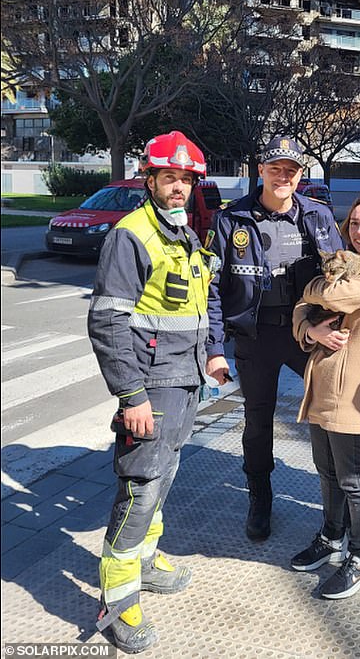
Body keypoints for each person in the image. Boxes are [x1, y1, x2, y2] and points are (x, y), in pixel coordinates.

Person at [88, 131, 211, 653]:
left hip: (186, 380)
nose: (178, 187)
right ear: (151, 179)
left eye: (186, 179)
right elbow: (107, 324)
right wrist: (131, 395)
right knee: (139, 489)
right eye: (170, 177)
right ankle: (117, 604)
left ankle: (144, 561)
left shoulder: (182, 234)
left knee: (163, 477)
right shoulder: (131, 234)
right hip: (152, 386)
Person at [205, 136, 343, 541]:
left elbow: (340, 280)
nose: (284, 176)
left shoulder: (317, 216)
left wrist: (327, 325)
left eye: (292, 170)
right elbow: (213, 289)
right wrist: (215, 349)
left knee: (329, 415)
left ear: (301, 175)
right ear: (260, 170)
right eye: (276, 168)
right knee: (257, 422)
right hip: (255, 336)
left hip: (308, 335)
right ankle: (259, 499)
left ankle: (344, 504)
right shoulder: (231, 219)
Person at [290, 191, 360, 599]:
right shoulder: (344, 267)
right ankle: (332, 536)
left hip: (353, 396)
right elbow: (301, 310)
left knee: (353, 480)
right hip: (320, 387)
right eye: (354, 223)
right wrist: (312, 330)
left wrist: (312, 291)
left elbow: (329, 296)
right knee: (327, 473)